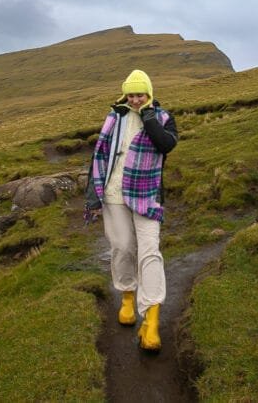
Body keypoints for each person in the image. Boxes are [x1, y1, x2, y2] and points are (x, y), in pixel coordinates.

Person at [85, 69, 178, 351]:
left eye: (140, 94)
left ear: (149, 93)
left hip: (146, 194)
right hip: (114, 192)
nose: (136, 99)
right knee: (123, 247)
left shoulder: (162, 118)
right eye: (132, 94)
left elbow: (167, 145)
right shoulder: (115, 118)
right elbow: (101, 155)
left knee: (150, 251)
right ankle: (127, 296)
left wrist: (148, 118)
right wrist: (94, 193)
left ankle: (150, 319)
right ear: (125, 94)